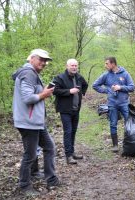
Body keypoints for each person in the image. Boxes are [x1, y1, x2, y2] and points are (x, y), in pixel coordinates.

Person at [12, 49, 62, 195]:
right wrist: (44, 94)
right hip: (28, 122)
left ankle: (49, 178)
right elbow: (28, 98)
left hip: (35, 121)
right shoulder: (28, 74)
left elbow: (32, 94)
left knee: (49, 147)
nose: (44, 63)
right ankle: (25, 185)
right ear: (31, 59)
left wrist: (43, 91)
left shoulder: (31, 74)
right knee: (30, 154)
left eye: (45, 61)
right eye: (41, 59)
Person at [92, 57, 135, 152]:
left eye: (107, 63)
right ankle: (115, 146)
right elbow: (95, 85)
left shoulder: (125, 73)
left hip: (124, 103)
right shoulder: (106, 75)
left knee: (129, 123)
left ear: (113, 64)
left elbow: (132, 87)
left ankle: (128, 144)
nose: (105, 66)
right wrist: (107, 90)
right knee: (113, 123)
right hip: (112, 104)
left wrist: (120, 87)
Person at [53, 59, 88, 164]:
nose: (74, 67)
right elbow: (54, 90)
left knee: (73, 131)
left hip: (76, 109)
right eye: (72, 65)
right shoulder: (60, 78)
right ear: (67, 66)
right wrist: (69, 91)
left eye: (76, 65)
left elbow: (85, 85)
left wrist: (82, 93)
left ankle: (72, 153)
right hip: (65, 110)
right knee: (68, 132)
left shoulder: (79, 77)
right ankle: (68, 156)